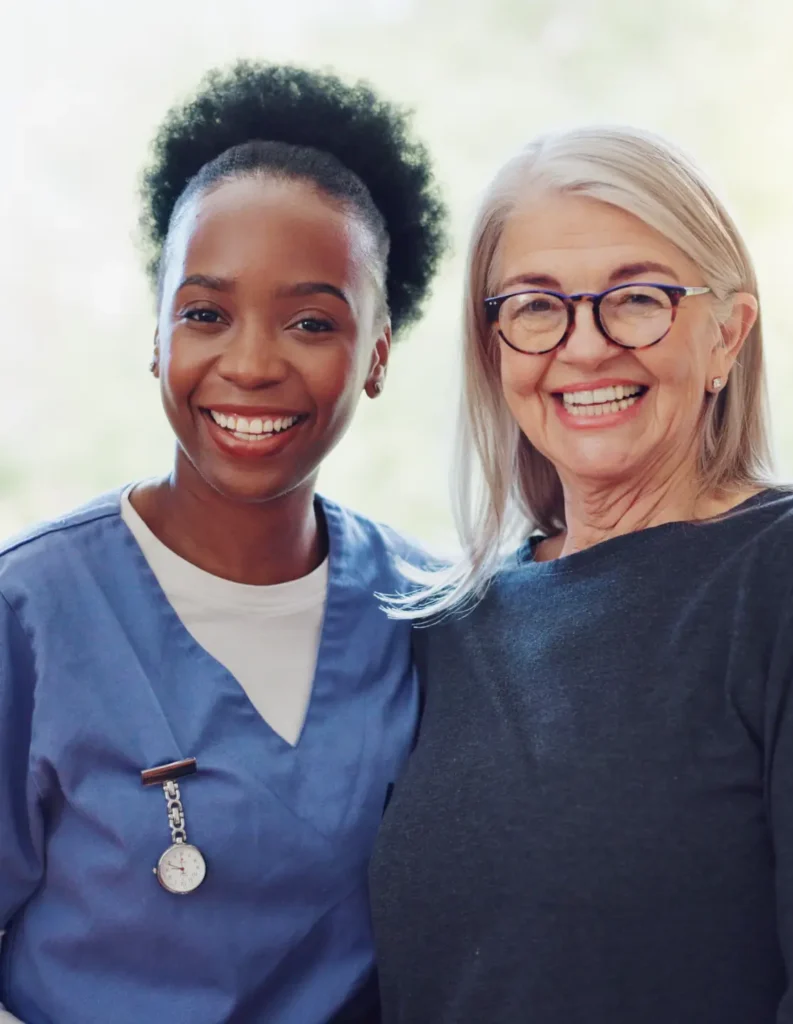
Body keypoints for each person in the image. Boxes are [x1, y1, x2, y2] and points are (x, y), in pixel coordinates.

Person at [369, 126, 793, 1023]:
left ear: (726, 336)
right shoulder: (445, 624)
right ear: (494, 347)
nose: (585, 347)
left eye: (636, 299)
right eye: (536, 307)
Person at [0, 61, 445, 1024]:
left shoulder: (434, 612)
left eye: (310, 322)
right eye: (205, 314)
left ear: (375, 356)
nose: (249, 363)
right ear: (157, 337)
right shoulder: (27, 614)